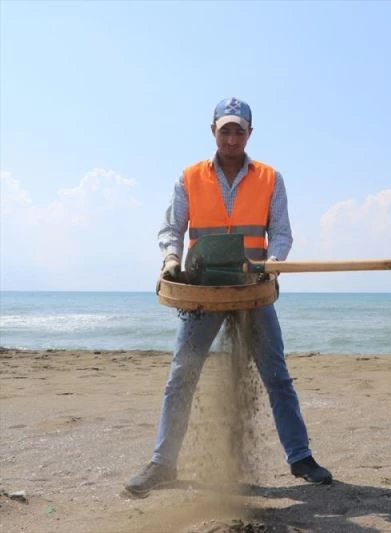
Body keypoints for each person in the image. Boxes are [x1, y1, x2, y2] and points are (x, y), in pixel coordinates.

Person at [125, 97, 332, 496]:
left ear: (250, 133)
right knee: (181, 375)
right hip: (204, 291)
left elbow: (281, 233)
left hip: (253, 291)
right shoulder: (190, 177)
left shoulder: (270, 178)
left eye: (239, 131)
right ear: (213, 131)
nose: (232, 139)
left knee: (277, 376)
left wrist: (273, 263)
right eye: (225, 131)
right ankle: (163, 464)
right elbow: (172, 229)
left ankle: (300, 457)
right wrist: (171, 259)